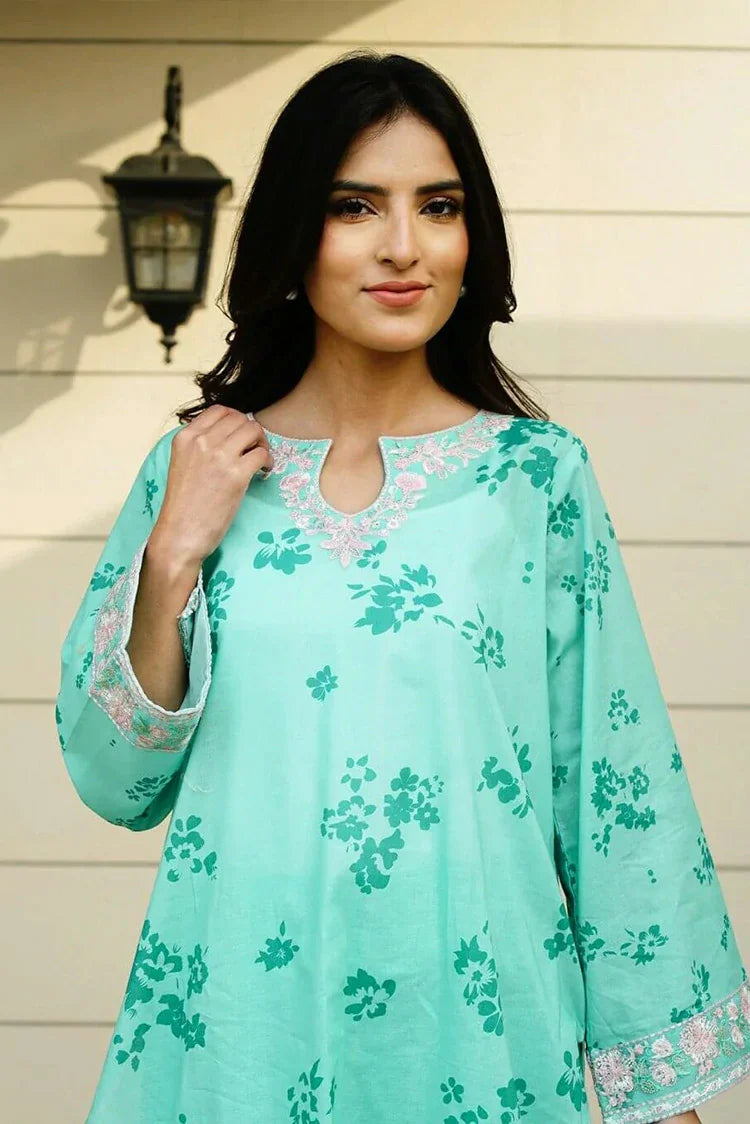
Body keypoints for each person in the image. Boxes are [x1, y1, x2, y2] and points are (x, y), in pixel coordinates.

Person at [55, 50, 749, 1124]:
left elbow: (615, 785)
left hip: (483, 1029)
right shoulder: (194, 470)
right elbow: (115, 777)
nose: (403, 246)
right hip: (240, 1025)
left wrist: (660, 1090)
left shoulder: (535, 479)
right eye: (354, 206)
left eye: (438, 206)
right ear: (295, 236)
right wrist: (172, 556)